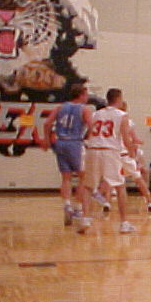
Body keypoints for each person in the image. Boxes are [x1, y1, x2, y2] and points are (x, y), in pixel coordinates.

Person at [78, 88, 136, 234]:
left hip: (93, 149)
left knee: (88, 187)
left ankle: (85, 219)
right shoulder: (122, 115)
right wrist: (131, 151)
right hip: (109, 151)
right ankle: (124, 223)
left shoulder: (96, 114)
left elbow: (88, 134)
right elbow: (125, 138)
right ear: (119, 99)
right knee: (120, 186)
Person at [40, 84, 93, 226]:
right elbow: (92, 126)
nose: (87, 97)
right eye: (86, 94)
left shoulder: (60, 107)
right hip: (75, 143)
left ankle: (67, 205)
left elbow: (47, 124)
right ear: (81, 95)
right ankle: (78, 208)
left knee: (66, 177)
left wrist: (46, 140)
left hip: (60, 142)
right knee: (83, 177)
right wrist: (87, 138)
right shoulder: (84, 109)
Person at [116, 102, 151, 211]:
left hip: (112, 154)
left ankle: (105, 202)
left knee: (107, 180)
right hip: (125, 154)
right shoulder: (127, 121)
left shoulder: (111, 120)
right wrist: (136, 145)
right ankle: (149, 201)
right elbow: (133, 139)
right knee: (138, 178)